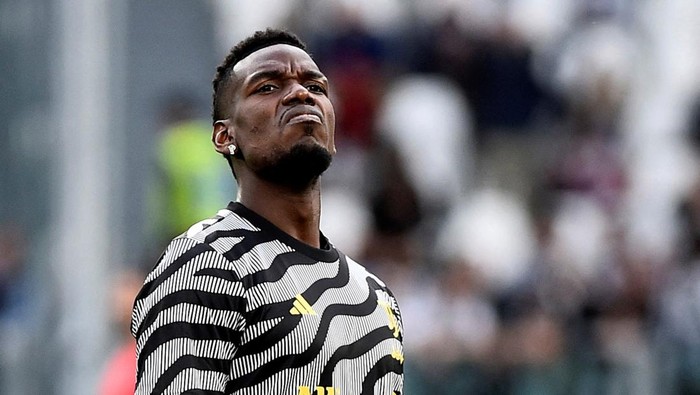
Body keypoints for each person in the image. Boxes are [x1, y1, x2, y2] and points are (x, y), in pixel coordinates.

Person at [131, 28, 404, 395]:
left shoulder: (376, 297)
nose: (300, 93)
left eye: (316, 87)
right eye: (267, 87)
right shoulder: (205, 265)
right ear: (224, 137)